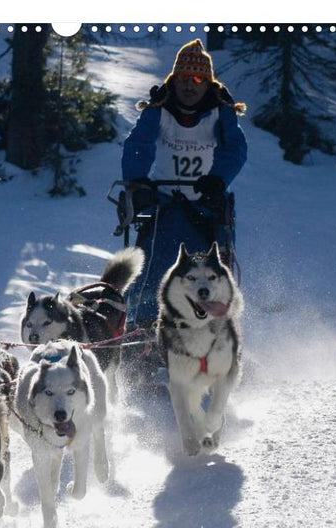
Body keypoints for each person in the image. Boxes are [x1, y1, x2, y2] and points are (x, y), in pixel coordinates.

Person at [120, 39, 248, 326]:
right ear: (173, 81)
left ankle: (209, 327)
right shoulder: (157, 110)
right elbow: (138, 145)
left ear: (208, 84)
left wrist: (218, 179)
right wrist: (137, 183)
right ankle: (143, 328)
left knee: (206, 272)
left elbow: (235, 149)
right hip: (164, 203)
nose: (190, 85)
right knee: (152, 264)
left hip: (206, 206)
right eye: (184, 78)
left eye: (198, 79)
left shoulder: (221, 112)